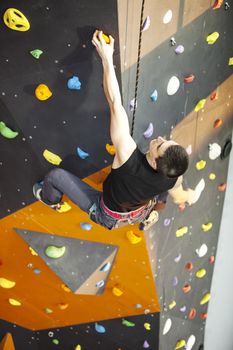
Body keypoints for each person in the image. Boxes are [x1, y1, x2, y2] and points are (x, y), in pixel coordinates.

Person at [33, 30, 201, 231]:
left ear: (156, 161)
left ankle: (50, 200)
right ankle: (150, 213)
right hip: (138, 210)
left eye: (160, 144)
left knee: (55, 177)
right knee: (164, 194)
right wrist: (191, 196)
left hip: (108, 215)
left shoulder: (127, 157)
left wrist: (106, 57)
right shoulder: (173, 177)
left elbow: (115, 103)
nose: (159, 138)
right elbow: (180, 195)